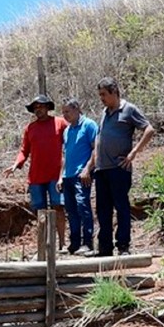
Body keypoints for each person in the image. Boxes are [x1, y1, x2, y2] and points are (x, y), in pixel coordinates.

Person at [80, 77, 154, 256]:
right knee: (103, 210)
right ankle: (105, 248)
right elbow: (99, 140)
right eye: (100, 95)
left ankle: (123, 246)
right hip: (102, 169)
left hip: (119, 168)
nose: (101, 98)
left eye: (104, 94)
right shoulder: (105, 113)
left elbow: (149, 129)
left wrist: (133, 153)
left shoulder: (129, 109)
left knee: (121, 207)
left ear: (114, 92)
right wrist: (90, 166)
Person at [4, 94, 68, 247]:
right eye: (35, 108)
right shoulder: (30, 129)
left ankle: (62, 244)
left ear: (48, 107)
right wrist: (15, 165)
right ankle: (43, 246)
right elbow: (24, 151)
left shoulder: (60, 123)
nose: (38, 110)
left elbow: (70, 143)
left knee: (58, 207)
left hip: (55, 175)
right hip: (36, 177)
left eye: (41, 106)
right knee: (40, 212)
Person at [58, 98, 98, 255]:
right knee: (71, 210)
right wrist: (61, 176)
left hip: (82, 175)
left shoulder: (89, 125)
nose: (65, 115)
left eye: (67, 111)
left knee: (83, 207)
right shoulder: (67, 131)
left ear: (77, 109)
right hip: (68, 176)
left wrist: (88, 169)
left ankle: (88, 243)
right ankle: (74, 243)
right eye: (63, 112)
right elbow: (66, 155)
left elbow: (96, 148)